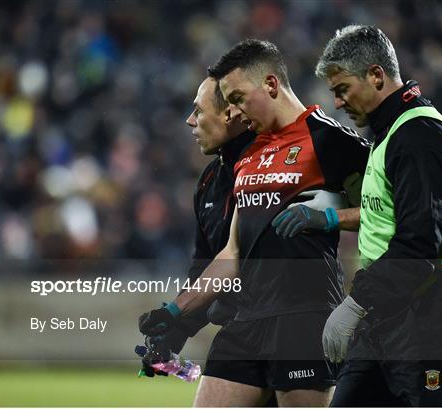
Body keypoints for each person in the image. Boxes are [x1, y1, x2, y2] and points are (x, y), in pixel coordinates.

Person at [139, 39, 370, 407]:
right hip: (245, 322)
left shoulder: (332, 142)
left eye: (238, 99)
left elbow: (388, 213)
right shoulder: (248, 156)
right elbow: (231, 254)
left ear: (271, 85)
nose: (235, 111)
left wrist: (330, 218)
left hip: (303, 320)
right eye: (228, 102)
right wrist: (175, 311)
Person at [312, 25, 442, 407]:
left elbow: (419, 244)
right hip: (392, 309)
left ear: (376, 75)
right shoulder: (391, 132)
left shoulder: (418, 135)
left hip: (438, 313)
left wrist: (355, 303)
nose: (338, 102)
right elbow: (388, 220)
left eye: (342, 89)